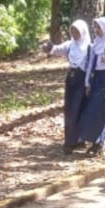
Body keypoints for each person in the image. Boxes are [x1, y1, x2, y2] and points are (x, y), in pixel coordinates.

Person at [43, 19, 91, 154]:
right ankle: (70, 141)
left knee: (80, 109)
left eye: (77, 31)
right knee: (70, 110)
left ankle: (80, 139)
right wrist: (49, 47)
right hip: (71, 80)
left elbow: (91, 67)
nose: (74, 34)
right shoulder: (70, 45)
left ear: (83, 32)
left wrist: (88, 84)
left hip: (83, 81)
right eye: (72, 31)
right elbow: (57, 50)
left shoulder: (89, 48)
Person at [78, 17, 105, 156]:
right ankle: (92, 140)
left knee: (101, 112)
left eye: (99, 27)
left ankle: (100, 142)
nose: (96, 30)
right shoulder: (94, 45)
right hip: (95, 80)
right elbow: (90, 65)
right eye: (95, 27)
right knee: (91, 111)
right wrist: (87, 83)